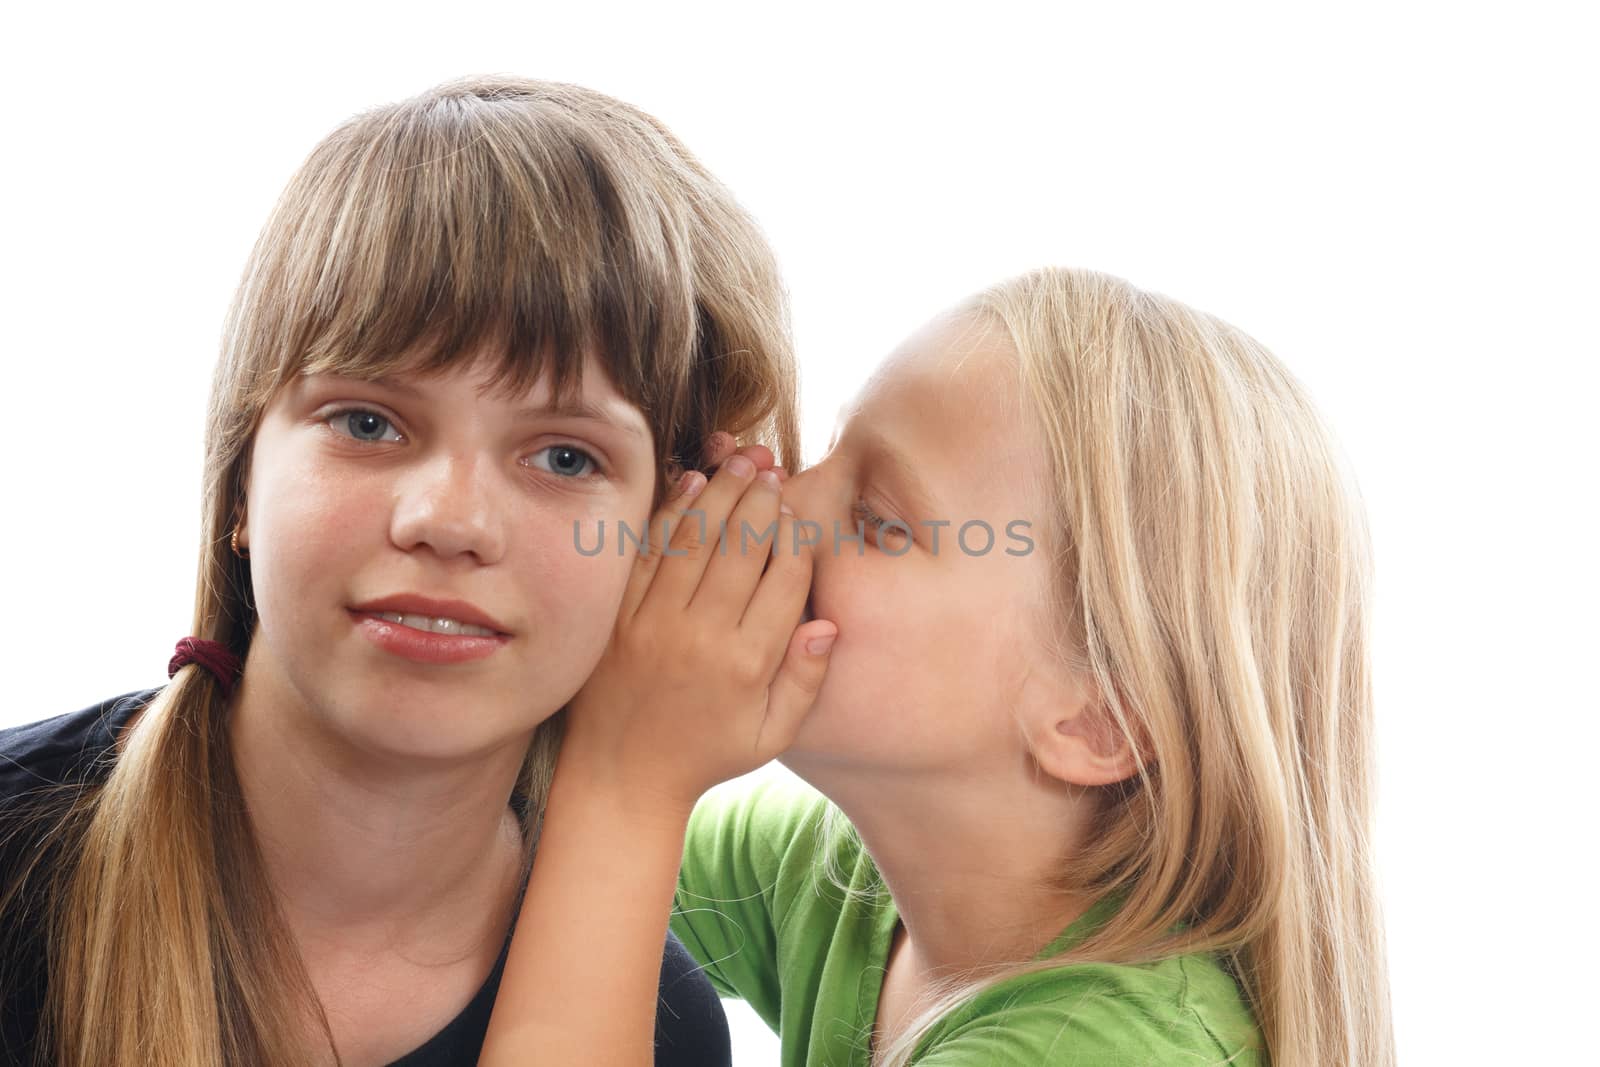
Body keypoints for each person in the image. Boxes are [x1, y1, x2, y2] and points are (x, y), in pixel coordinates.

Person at [0, 75, 806, 1067]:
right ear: (242, 480)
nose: (449, 521)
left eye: (564, 455)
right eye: (368, 422)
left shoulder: (661, 1022)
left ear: (669, 537)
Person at [479, 267, 1396, 1065]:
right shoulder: (843, 880)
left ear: (1095, 721)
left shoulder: (1101, 1048)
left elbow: (597, 840)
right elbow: (522, 870)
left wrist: (628, 780)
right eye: (828, 454)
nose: (783, 499)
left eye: (876, 517)